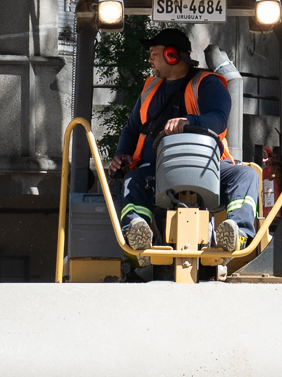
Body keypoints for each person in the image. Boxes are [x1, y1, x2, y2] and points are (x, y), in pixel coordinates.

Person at [111, 31, 261, 256]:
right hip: (156, 173)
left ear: (172, 55)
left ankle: (236, 234)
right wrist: (122, 153)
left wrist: (189, 122)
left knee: (246, 175)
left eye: (154, 53)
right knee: (133, 179)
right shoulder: (150, 89)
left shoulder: (207, 84)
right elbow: (132, 129)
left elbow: (219, 119)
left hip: (207, 170)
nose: (150, 59)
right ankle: (136, 235)